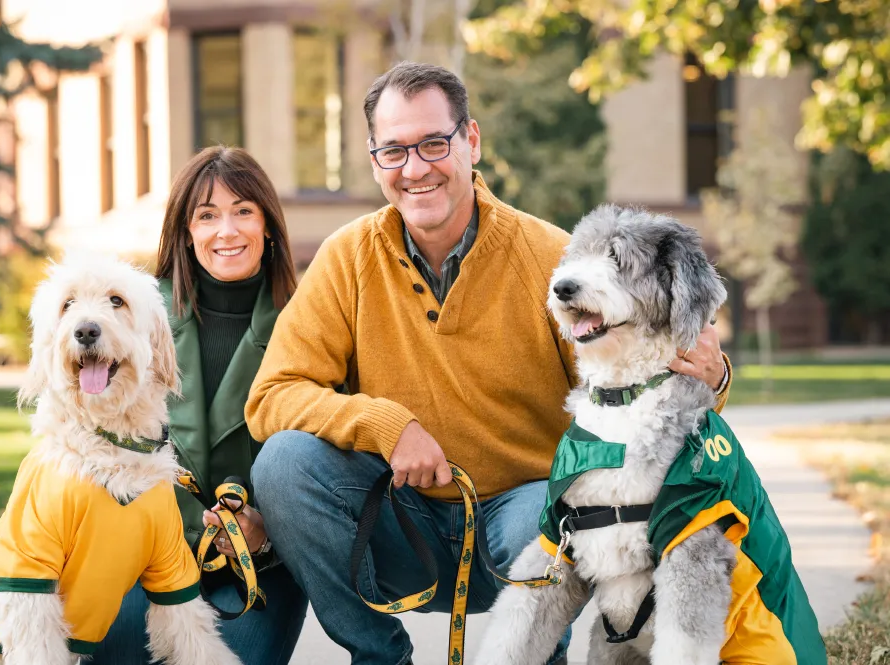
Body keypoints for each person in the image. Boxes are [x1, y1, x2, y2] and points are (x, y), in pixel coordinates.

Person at [244, 62, 731, 665]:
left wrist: (716, 376)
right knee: (285, 463)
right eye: (394, 150)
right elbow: (272, 396)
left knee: (551, 504)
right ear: (374, 162)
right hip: (398, 527)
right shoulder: (347, 259)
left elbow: (653, 378)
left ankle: (535, 653)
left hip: (526, 526)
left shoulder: (554, 260)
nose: (415, 168)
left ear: (470, 141)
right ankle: (379, 657)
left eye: (432, 143)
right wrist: (385, 426)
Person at [88, 146, 307, 665]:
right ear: (186, 232)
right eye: (207, 215)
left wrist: (269, 533)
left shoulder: (307, 319)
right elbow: (73, 429)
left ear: (269, 225)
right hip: (143, 556)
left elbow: (327, 458)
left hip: (257, 565)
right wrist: (17, 536)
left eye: (243, 211)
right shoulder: (136, 312)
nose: (225, 231)